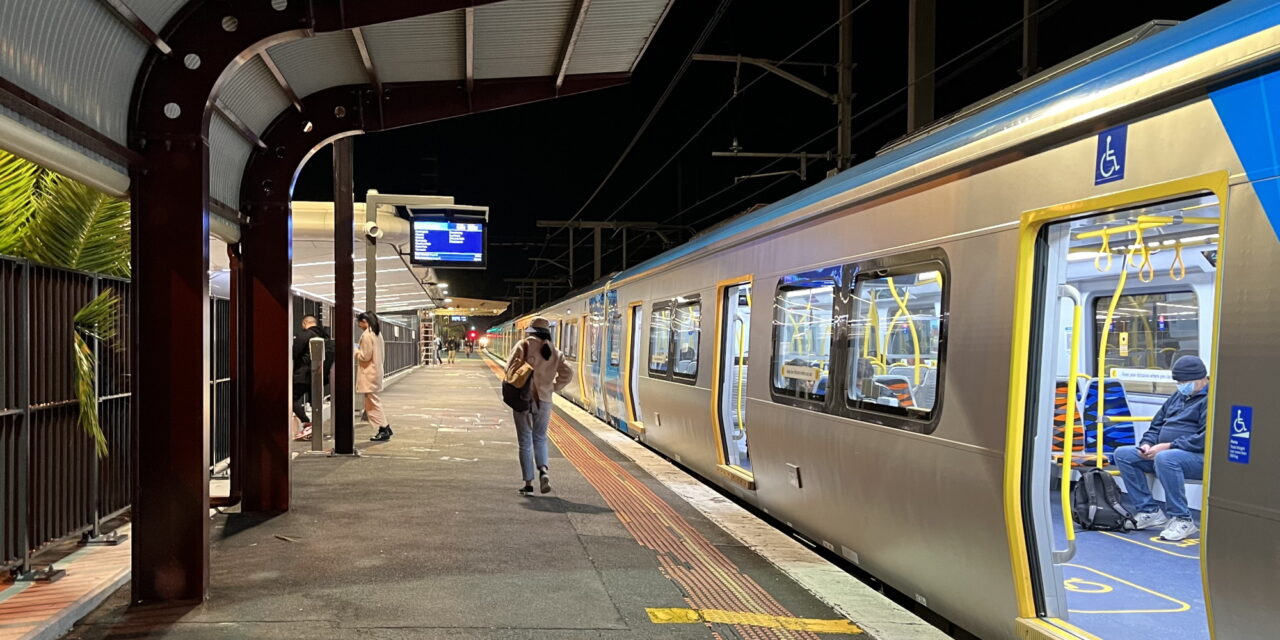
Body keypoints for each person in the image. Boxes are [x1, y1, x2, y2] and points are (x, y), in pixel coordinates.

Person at [1113, 355, 1209, 541]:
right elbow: (1156, 425)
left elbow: (1204, 439)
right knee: (1123, 454)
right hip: (1164, 453)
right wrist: (1147, 444)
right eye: (1178, 382)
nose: (1181, 386)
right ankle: (1149, 511)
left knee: (1166, 458)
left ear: (1200, 378)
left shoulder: (1212, 399)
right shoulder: (1178, 396)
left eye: (1184, 382)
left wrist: (1168, 446)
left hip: (1197, 458)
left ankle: (1182, 519)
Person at [505, 317, 573, 495]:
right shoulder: (554, 351)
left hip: (523, 398)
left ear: (531, 330)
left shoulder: (523, 345)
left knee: (525, 441)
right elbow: (568, 373)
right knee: (540, 437)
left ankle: (528, 484)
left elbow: (508, 369)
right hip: (544, 400)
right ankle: (543, 471)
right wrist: (552, 387)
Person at [292, 315, 334, 440]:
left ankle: (307, 423)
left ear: (305, 323)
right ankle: (316, 427)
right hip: (319, 376)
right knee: (314, 401)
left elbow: (295, 352)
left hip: (303, 374)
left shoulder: (304, 334)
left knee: (289, 398)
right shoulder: (325, 337)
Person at [357, 312, 392, 442]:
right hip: (376, 370)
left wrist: (355, 351)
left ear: (364, 321)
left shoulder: (367, 336)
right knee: (372, 401)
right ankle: (384, 427)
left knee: (372, 403)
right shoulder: (377, 334)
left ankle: (383, 428)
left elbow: (365, 356)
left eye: (359, 322)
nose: (358, 325)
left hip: (369, 372)